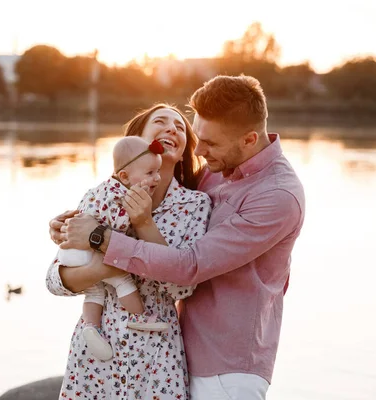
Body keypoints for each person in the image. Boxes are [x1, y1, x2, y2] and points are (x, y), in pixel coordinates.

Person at [51, 75, 306, 400]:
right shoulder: (214, 169)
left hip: (227, 367)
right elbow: (58, 275)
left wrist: (100, 239)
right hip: (172, 352)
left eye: (210, 143)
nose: (200, 151)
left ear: (249, 139)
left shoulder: (278, 196)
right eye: (197, 137)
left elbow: (190, 265)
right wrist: (69, 232)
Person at [46, 104, 212, 399]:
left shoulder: (195, 205)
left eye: (180, 126)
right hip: (97, 347)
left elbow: (181, 287)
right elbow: (55, 281)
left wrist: (144, 223)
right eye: (160, 121)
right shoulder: (98, 196)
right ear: (137, 140)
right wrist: (104, 268)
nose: (172, 128)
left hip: (156, 353)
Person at [55, 136, 169, 361]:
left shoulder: (98, 189)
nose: (157, 177)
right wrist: (138, 222)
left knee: (94, 290)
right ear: (124, 176)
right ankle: (138, 316)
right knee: (122, 279)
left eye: (158, 171)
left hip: (71, 252)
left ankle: (91, 326)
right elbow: (117, 230)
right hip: (87, 248)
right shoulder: (122, 196)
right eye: (150, 173)